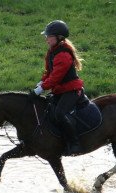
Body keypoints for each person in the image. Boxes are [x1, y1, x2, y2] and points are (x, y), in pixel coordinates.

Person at [32, 20, 85, 155]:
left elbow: (56, 77)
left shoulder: (63, 55)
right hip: (61, 90)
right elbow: (49, 73)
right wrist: (40, 83)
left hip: (71, 91)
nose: (46, 40)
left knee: (59, 114)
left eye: (49, 37)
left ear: (58, 37)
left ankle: (75, 143)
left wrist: (41, 89)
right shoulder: (52, 52)